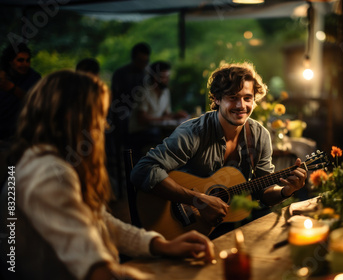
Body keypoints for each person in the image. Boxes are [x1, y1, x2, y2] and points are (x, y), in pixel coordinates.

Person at [0, 70, 214, 280]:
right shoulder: (48, 174)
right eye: (98, 116)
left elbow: (100, 221)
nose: (105, 125)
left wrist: (161, 245)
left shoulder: (50, 163)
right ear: (72, 117)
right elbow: (95, 268)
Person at [130, 62, 307, 235]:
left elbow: (264, 193)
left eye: (247, 98)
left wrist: (286, 190)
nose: (241, 106)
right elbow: (143, 170)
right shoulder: (193, 132)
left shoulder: (260, 135)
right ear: (216, 98)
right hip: (185, 226)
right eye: (233, 97)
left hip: (231, 222)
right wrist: (197, 199)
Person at [107, 42, 151, 193]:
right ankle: (125, 184)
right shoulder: (121, 73)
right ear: (133, 59)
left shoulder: (146, 74)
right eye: (140, 61)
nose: (143, 64)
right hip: (123, 117)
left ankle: (139, 181)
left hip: (140, 118)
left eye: (145, 61)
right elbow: (115, 101)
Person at [128, 61, 189, 157]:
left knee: (177, 135)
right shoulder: (144, 92)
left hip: (155, 130)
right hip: (140, 133)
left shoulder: (165, 92)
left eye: (168, 76)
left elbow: (166, 115)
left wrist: (175, 115)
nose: (167, 80)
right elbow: (142, 119)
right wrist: (164, 118)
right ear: (155, 77)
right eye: (164, 77)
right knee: (168, 139)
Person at [0, 43, 41, 141]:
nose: (25, 64)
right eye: (20, 60)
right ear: (10, 62)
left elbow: (35, 102)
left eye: (28, 60)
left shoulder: (33, 77)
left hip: (21, 133)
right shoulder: (2, 75)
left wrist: (12, 89)